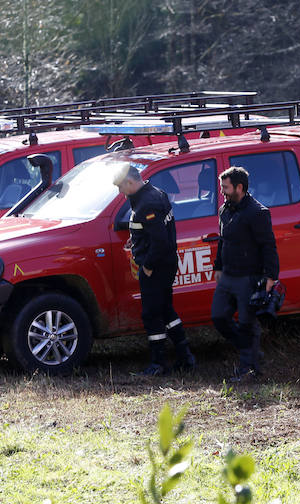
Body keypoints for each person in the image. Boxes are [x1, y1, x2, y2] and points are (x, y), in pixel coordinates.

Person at [113, 163, 195, 376]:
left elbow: (160, 241)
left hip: (156, 266)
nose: (120, 192)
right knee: (166, 309)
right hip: (164, 263)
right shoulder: (155, 193)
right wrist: (136, 239)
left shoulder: (146, 203)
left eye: (121, 187)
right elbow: (153, 231)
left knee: (151, 313)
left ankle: (159, 363)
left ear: (130, 182)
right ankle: (185, 356)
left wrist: (147, 265)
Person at [211, 166, 279, 382]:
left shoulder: (258, 213)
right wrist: (218, 267)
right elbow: (223, 241)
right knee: (219, 316)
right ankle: (249, 351)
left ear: (239, 187)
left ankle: (248, 369)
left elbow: (268, 246)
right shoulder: (225, 210)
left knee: (246, 323)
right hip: (228, 276)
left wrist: (270, 277)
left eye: (226, 188)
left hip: (248, 278)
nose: (222, 192)